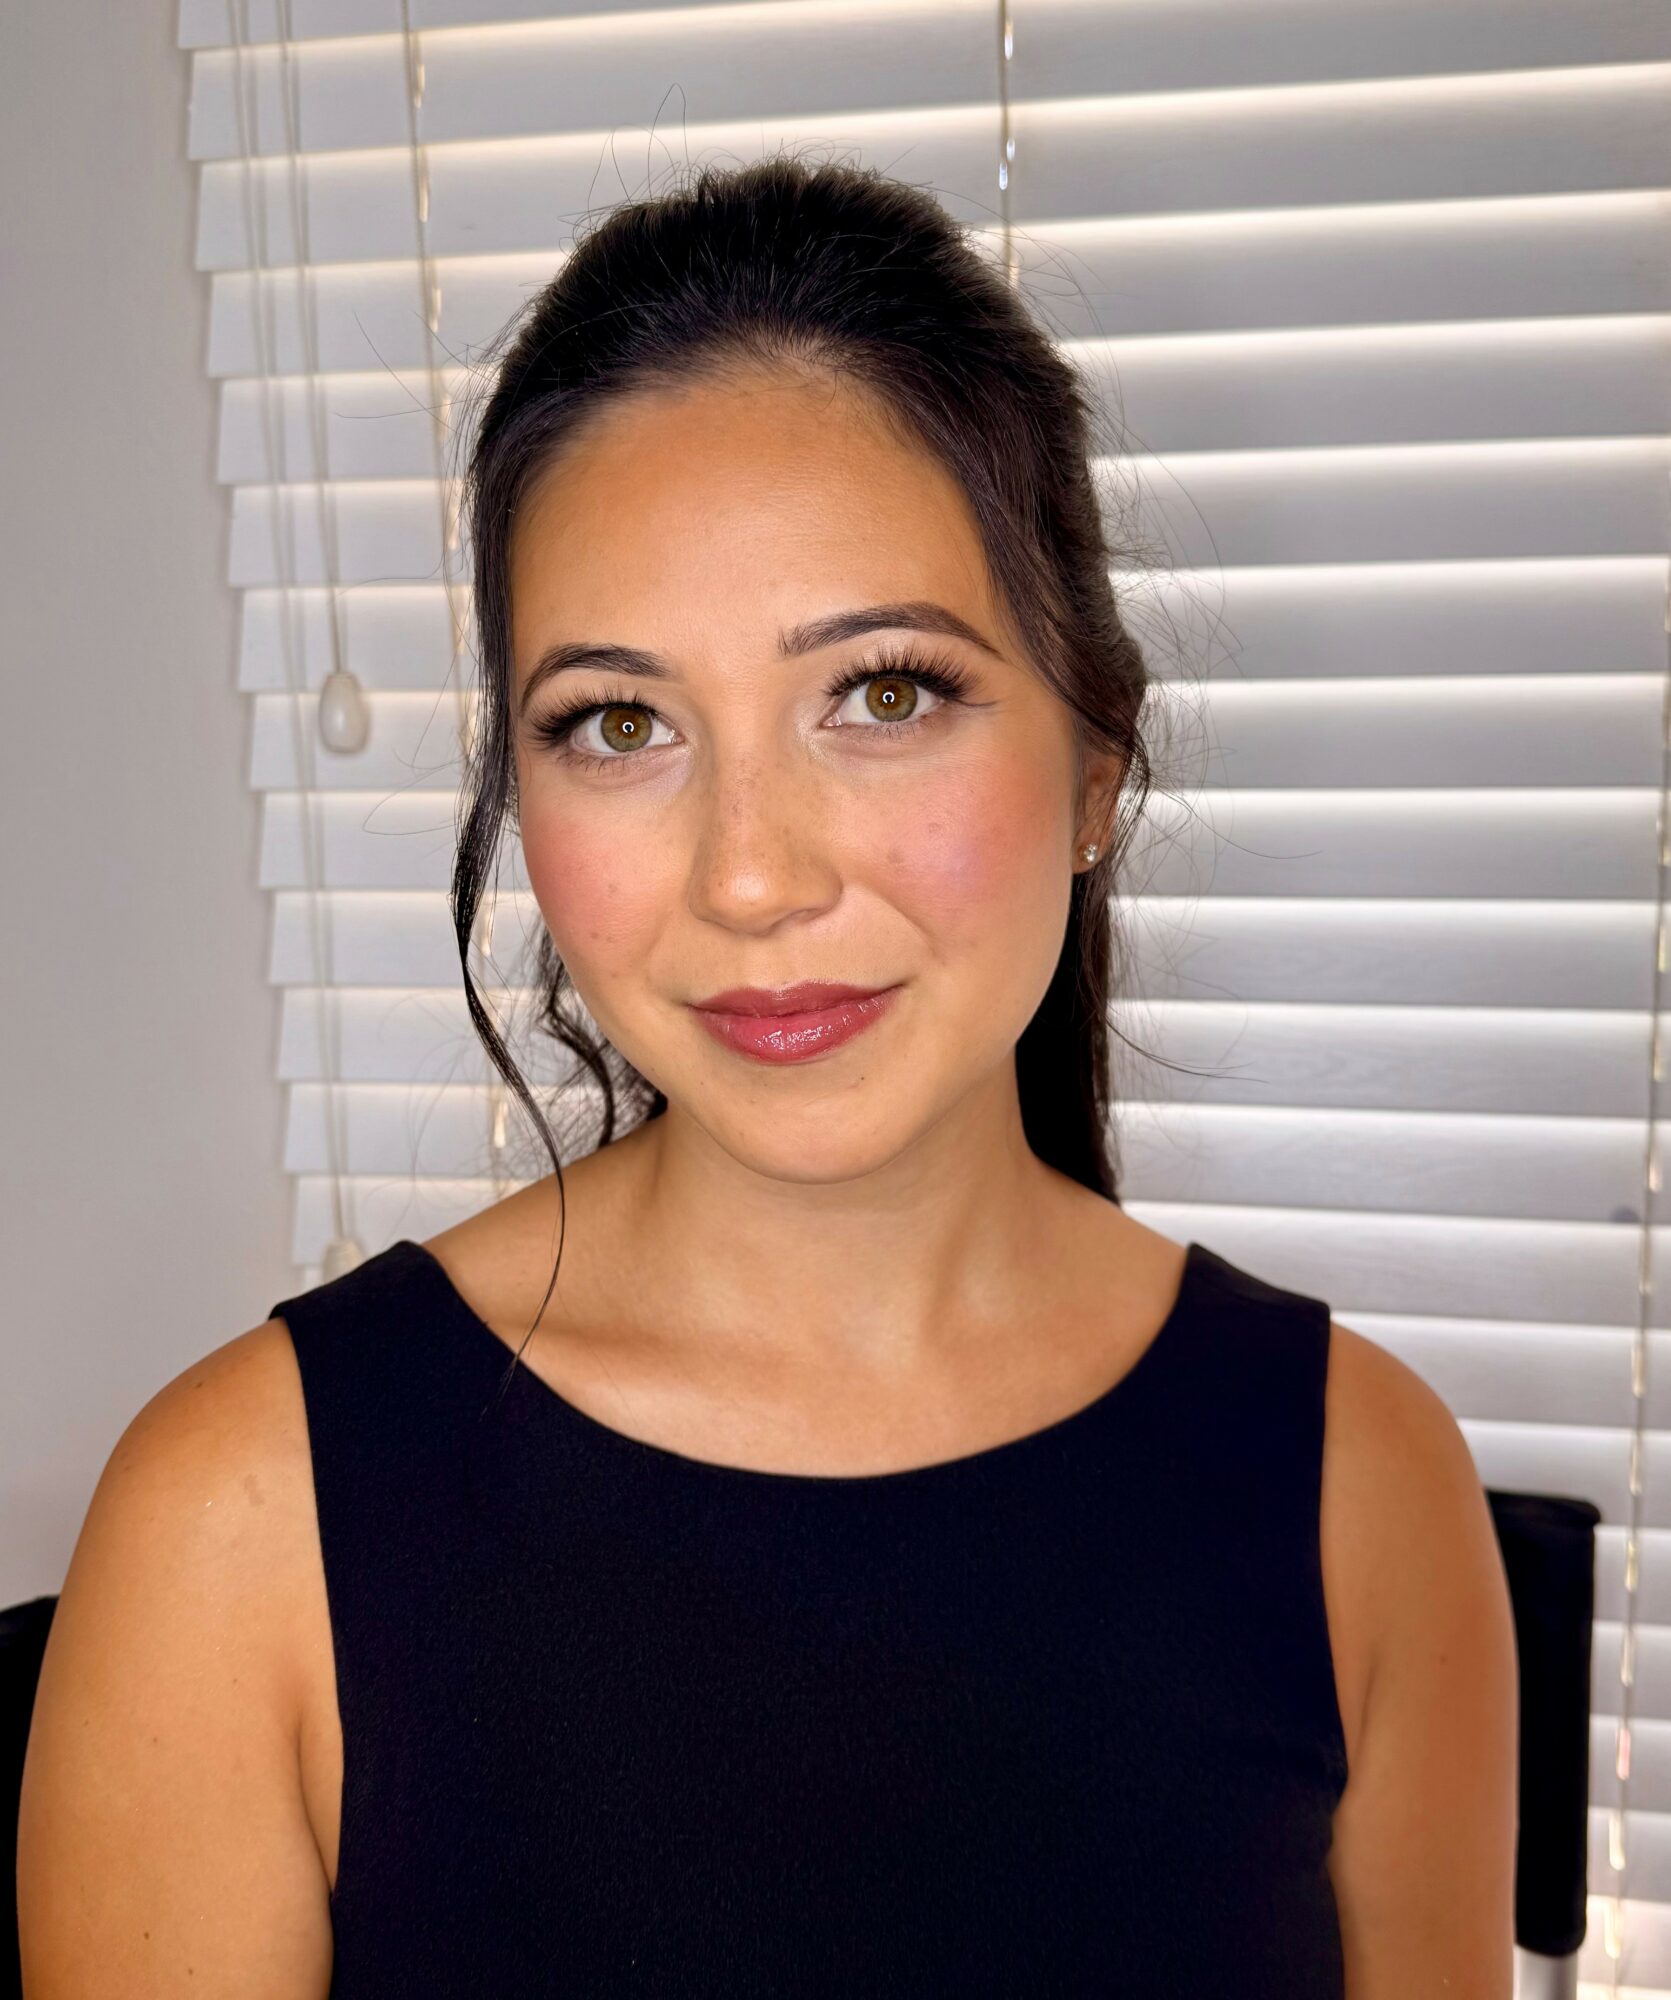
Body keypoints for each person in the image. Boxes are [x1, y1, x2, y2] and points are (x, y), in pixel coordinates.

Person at [17, 155, 1516, 1996]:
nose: (750, 874)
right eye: (620, 724)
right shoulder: (234, 1522)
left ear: (1096, 765)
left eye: (883, 692)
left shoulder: (1365, 1488)